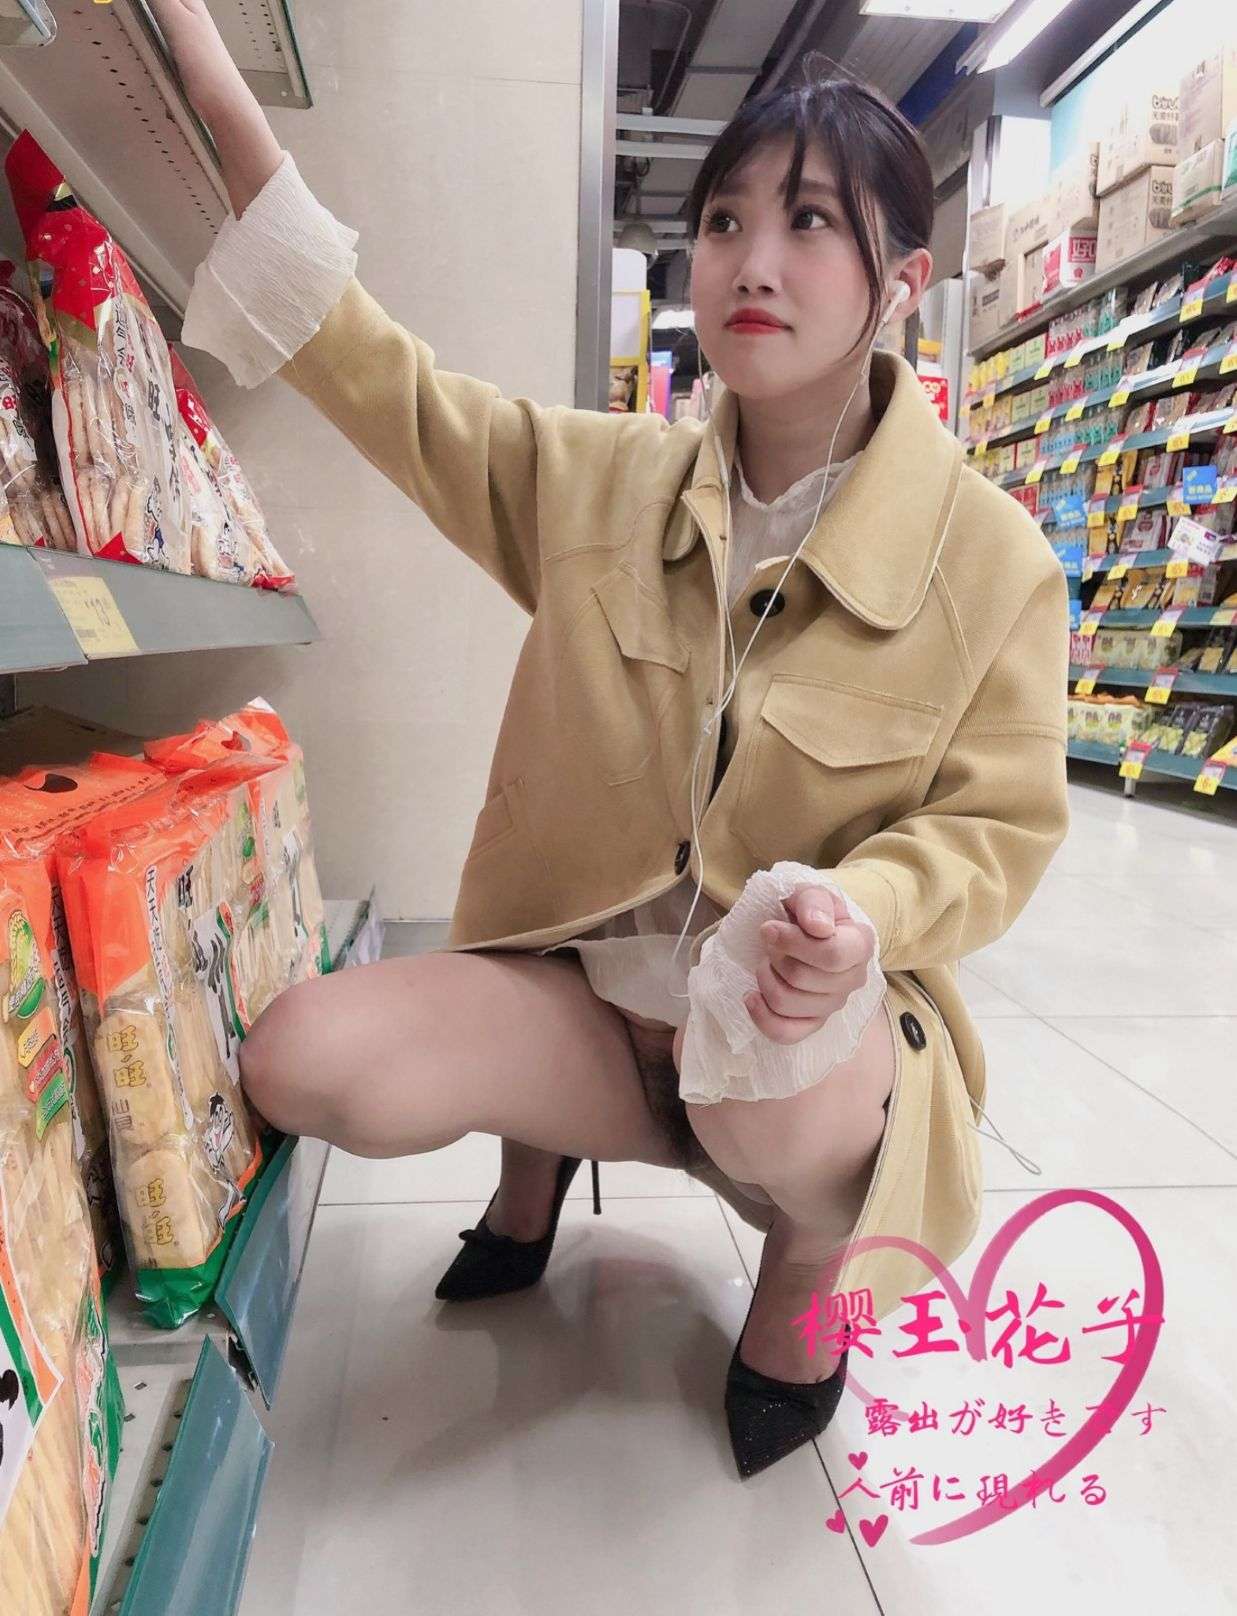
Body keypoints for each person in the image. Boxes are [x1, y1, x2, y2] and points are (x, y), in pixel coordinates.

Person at [152, 1, 1070, 1480]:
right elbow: (388, 384)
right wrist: (214, 90)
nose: (752, 262)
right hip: (597, 1024)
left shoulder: (992, 561)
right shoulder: (601, 483)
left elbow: (1001, 826)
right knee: (305, 1059)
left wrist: (864, 917)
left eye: (810, 224)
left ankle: (802, 1272)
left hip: (795, 1057)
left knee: (768, 1069)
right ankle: (542, 1160)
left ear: (903, 281)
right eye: (723, 220)